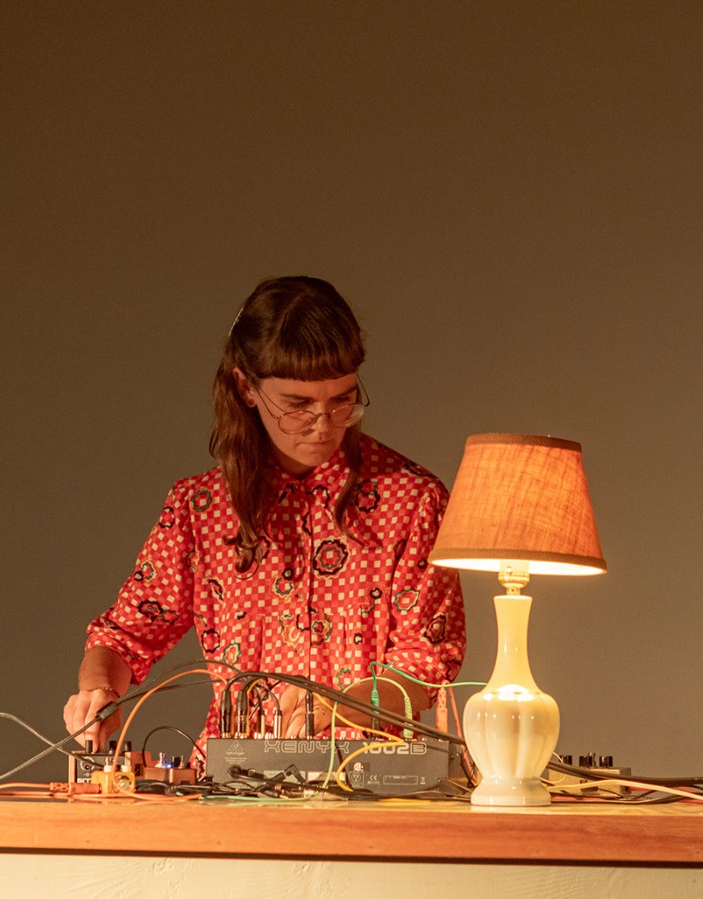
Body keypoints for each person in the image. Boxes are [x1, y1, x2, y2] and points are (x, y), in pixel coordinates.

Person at [61, 276, 465, 767]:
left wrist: (342, 705)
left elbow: (426, 665)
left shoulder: (413, 499)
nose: (325, 423)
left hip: (371, 778)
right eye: (298, 405)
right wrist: (98, 691)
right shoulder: (200, 507)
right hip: (232, 784)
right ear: (245, 388)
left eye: (342, 400)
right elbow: (125, 635)